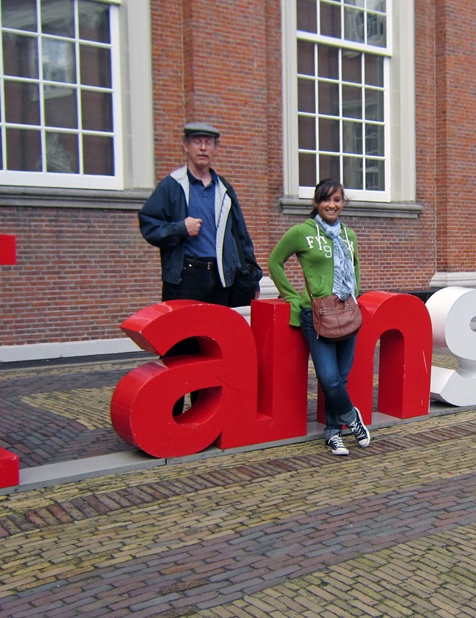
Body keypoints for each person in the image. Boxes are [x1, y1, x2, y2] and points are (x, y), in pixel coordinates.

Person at [138, 121, 262, 415]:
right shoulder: (172, 186)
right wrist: (180, 228)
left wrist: (252, 274)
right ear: (186, 146)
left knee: (212, 349)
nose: (203, 147)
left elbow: (240, 235)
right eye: (197, 141)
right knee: (179, 348)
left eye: (209, 142)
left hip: (218, 278)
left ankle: (206, 415)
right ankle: (172, 416)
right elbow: (149, 226)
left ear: (216, 149)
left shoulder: (224, 190)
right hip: (185, 277)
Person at [268, 179, 370, 456]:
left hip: (347, 311)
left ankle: (333, 433)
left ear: (342, 203)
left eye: (337, 200)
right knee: (328, 377)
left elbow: (356, 264)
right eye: (326, 200)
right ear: (316, 203)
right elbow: (275, 261)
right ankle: (352, 418)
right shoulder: (302, 232)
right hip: (316, 313)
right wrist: (290, 296)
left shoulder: (349, 235)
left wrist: (354, 292)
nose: (332, 205)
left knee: (341, 378)